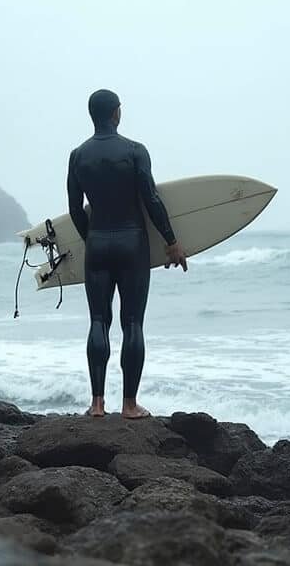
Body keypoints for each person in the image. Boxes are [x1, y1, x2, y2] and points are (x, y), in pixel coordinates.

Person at [67, 89, 187, 419]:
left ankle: (96, 403)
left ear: (93, 116)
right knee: (132, 322)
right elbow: (150, 198)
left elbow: (75, 209)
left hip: (98, 244)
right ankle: (130, 405)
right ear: (117, 113)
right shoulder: (135, 151)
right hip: (133, 244)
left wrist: (90, 238)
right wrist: (171, 241)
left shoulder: (78, 156)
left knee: (97, 320)